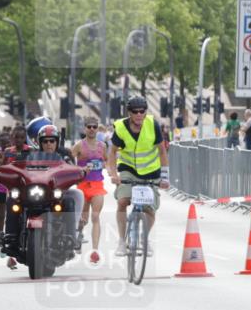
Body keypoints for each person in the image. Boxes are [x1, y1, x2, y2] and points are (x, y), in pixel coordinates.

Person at [107, 96, 169, 257]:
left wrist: (165, 177)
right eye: (135, 112)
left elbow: (162, 151)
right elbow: (112, 152)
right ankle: (122, 241)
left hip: (151, 171)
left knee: (150, 208)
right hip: (129, 169)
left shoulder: (152, 124)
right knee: (122, 201)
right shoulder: (121, 128)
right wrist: (114, 174)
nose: (139, 115)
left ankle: (144, 239)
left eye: (142, 111)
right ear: (129, 113)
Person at [33, 124, 85, 254]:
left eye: (52, 140)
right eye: (45, 141)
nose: (49, 144)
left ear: (57, 141)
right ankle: (11, 236)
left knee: (77, 194)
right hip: (37, 192)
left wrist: (81, 172)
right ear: (40, 143)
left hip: (59, 192)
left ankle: (71, 234)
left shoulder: (65, 155)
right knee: (13, 199)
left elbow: (75, 170)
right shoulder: (33, 156)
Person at [0, 125, 32, 269]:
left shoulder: (31, 151)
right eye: (16, 137)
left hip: (29, 190)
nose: (19, 140)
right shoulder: (7, 153)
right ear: (12, 138)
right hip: (12, 191)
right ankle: (7, 239)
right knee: (8, 214)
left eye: (22, 138)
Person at [72, 117, 108, 264]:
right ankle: (79, 234)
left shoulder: (102, 146)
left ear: (97, 128)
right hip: (82, 186)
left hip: (97, 185)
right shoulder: (79, 146)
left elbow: (106, 160)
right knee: (83, 220)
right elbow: (68, 161)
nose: (92, 129)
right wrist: (80, 169)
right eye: (89, 127)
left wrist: (106, 168)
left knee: (95, 217)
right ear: (84, 128)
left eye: (94, 127)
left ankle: (95, 251)